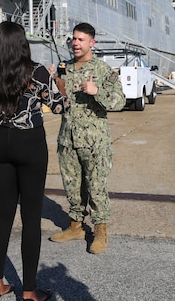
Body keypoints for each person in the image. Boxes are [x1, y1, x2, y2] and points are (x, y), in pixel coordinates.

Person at [0, 21, 67, 301]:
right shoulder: (36, 72)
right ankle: (28, 292)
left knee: (3, 216)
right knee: (30, 218)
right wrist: (58, 81)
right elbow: (60, 105)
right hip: (30, 147)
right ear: (23, 44)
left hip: (0, 146)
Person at [50, 22, 126, 254]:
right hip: (68, 139)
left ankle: (100, 230)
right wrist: (56, 80)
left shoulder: (103, 70)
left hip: (94, 142)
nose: (75, 43)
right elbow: (65, 99)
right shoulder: (66, 68)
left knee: (96, 186)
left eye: (81, 39)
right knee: (72, 186)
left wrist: (97, 92)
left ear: (92, 43)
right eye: (74, 38)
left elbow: (119, 102)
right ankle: (76, 226)